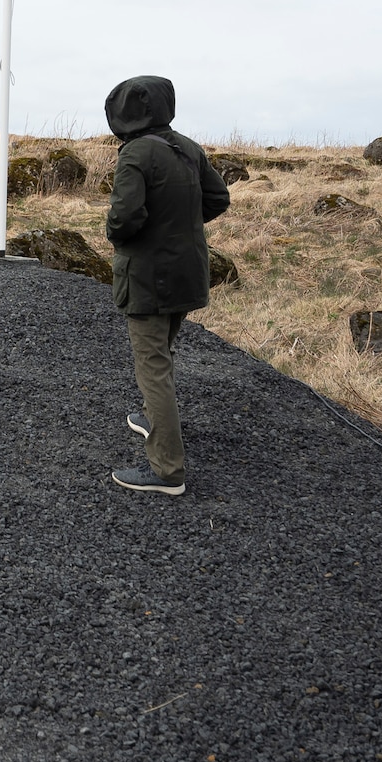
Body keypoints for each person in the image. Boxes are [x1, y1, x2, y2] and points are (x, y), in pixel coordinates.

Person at [102, 75, 230, 497]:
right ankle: (153, 423)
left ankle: (167, 470)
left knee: (152, 367)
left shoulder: (135, 154)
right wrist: (178, 228)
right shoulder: (188, 147)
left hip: (148, 278)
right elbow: (217, 199)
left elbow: (124, 219)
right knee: (164, 353)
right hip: (188, 271)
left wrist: (125, 238)